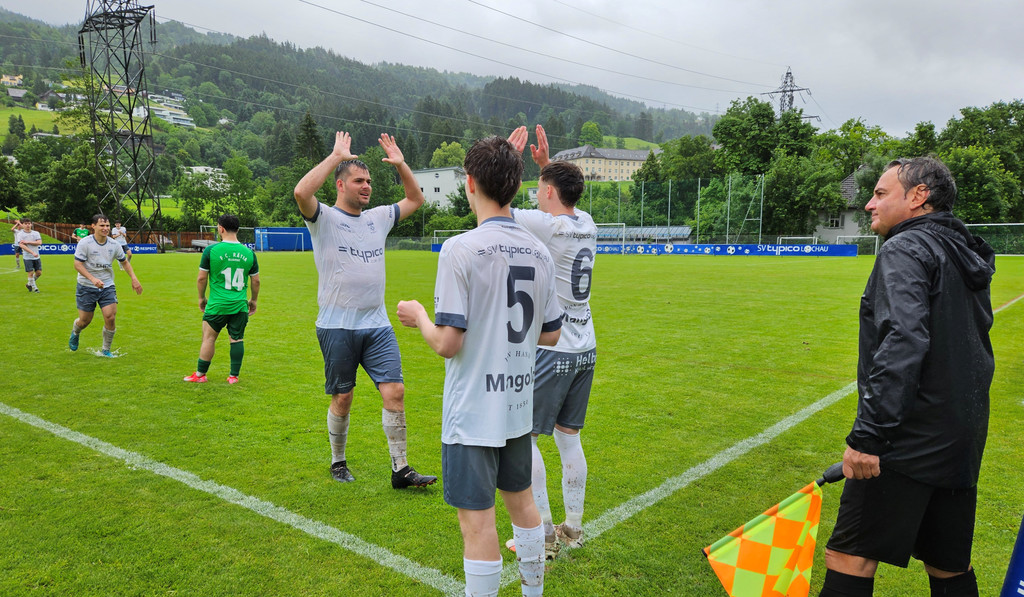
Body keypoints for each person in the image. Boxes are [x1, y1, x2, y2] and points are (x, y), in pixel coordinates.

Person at [819, 157, 995, 597]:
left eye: (880, 193)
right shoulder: (961, 251)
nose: (868, 204)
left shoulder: (906, 248)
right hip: (959, 436)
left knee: (850, 556)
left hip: (907, 437)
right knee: (948, 563)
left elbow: (903, 340)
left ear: (919, 197)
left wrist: (869, 438)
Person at [397, 132, 563, 597]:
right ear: (515, 185)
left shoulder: (460, 248)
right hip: (517, 408)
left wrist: (419, 316)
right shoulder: (539, 251)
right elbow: (551, 333)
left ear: (470, 182)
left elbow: (448, 343)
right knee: (523, 506)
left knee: (478, 525)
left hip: (473, 414)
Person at [293, 130, 435, 489]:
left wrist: (401, 164)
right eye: (359, 181)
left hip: (377, 325)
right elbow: (301, 193)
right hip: (337, 325)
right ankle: (338, 462)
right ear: (340, 184)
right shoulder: (323, 218)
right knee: (343, 397)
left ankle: (401, 469)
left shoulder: (378, 218)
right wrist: (336, 157)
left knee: (395, 392)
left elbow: (416, 199)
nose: (367, 186)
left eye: (369, 181)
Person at [505, 125, 596, 559]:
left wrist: (509, 161)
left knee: (526, 438)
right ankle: (573, 528)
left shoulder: (547, 225)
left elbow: (496, 204)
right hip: (586, 346)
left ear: (549, 193)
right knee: (569, 438)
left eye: (541, 188)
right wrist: (546, 165)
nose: (537, 195)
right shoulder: (587, 222)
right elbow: (562, 193)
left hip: (553, 347)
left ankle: (542, 534)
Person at [183, 214, 260, 385]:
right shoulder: (249, 253)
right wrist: (253, 300)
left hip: (217, 305)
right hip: (239, 305)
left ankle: (200, 375)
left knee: (209, 338)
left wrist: (201, 298)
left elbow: (201, 278)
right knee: (237, 339)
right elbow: (256, 281)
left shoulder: (211, 250)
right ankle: (233, 376)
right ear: (237, 229)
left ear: (221, 228)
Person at [68, 214, 143, 357]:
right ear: (93, 226)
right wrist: (92, 279)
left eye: (107, 225)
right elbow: (77, 265)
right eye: (102, 225)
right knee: (85, 320)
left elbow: (124, 262)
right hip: (86, 286)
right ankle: (76, 332)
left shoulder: (114, 245)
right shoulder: (85, 243)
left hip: (107, 285)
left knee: (110, 317)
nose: (105, 228)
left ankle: (106, 350)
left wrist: (134, 278)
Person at [19, 219, 42, 292]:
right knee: (30, 272)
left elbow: (39, 242)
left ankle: (29, 284)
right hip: (27, 257)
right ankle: (35, 288)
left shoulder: (36, 233)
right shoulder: (20, 234)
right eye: (25, 223)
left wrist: (27, 242)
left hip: (36, 256)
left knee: (39, 273)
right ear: (22, 224)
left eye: (29, 223)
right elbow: (22, 245)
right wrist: (32, 252)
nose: (28, 225)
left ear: (31, 224)